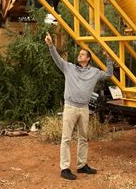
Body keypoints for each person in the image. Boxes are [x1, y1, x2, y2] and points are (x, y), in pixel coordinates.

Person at [45, 32, 113, 181]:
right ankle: (65, 168)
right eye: (80, 54)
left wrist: (109, 57)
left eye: (83, 54)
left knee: (83, 138)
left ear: (88, 59)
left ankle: (82, 165)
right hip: (70, 107)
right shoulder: (69, 67)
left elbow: (109, 74)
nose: (80, 56)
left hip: (84, 108)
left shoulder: (95, 72)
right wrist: (51, 45)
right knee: (67, 138)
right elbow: (57, 59)